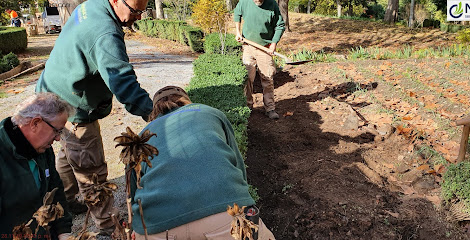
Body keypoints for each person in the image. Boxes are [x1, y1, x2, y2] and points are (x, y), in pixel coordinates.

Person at [36, 0, 153, 235]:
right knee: (92, 172)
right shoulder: (105, 32)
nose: (139, 17)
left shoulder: (93, 4)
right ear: (116, 1)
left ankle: (67, 201)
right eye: (135, 11)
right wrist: (152, 112)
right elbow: (123, 82)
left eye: (143, 11)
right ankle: (108, 229)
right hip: (73, 106)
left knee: (67, 152)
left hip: (51, 92)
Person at [130, 86, 276, 239]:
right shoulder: (210, 112)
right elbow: (238, 165)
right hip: (225, 214)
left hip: (155, 226)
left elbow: (133, 188)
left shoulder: (141, 135)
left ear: (155, 111)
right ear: (186, 101)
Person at [0, 93, 74, 240]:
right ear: (35, 123)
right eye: (56, 130)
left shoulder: (42, 149)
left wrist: (64, 232)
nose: (58, 138)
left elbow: (55, 189)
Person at [234, 0, 285, 119]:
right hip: (248, 46)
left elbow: (280, 25)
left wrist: (273, 43)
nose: (257, 1)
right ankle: (248, 106)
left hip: (265, 48)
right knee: (247, 77)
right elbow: (237, 13)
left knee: (267, 77)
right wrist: (237, 31)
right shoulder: (244, 2)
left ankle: (270, 108)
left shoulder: (272, 4)